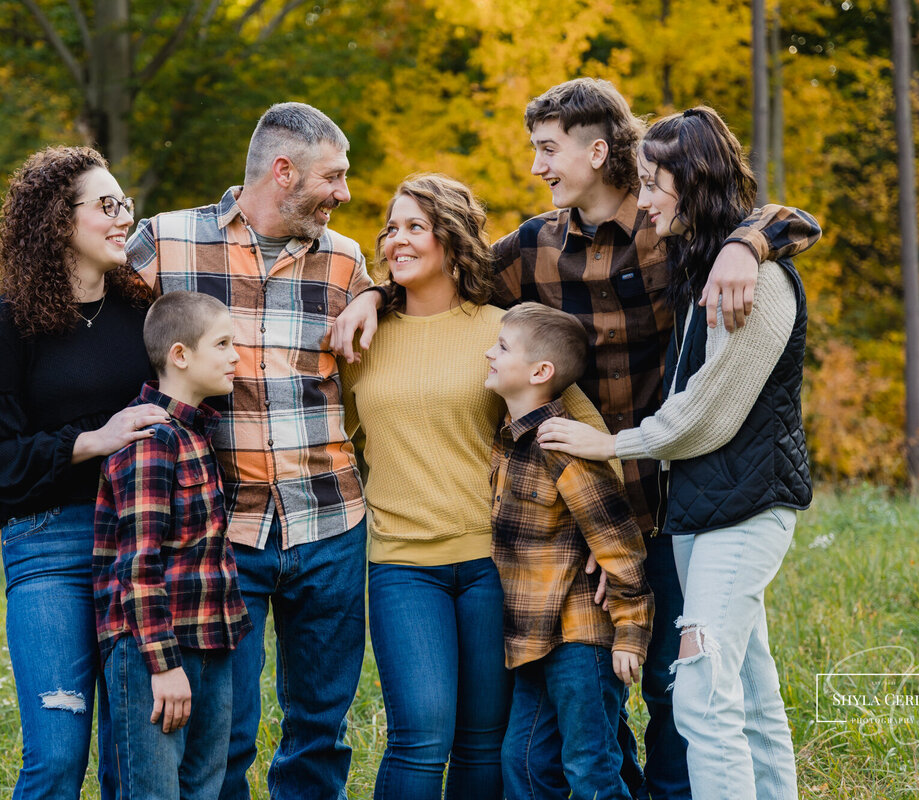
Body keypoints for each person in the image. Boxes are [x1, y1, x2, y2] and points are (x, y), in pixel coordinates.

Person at [330, 77, 822, 800]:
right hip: (584, 504)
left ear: (597, 151)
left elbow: (785, 219)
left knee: (679, 695)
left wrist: (747, 245)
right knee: (593, 706)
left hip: (673, 494)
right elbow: (451, 266)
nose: (537, 166)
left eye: (548, 149)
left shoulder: (670, 228)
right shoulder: (537, 245)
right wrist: (375, 294)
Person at [0, 103, 373, 800]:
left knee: (244, 736)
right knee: (120, 748)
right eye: (333, 176)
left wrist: (378, 294)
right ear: (283, 170)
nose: (123, 218)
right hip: (134, 534)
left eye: (123, 204)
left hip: (247, 523)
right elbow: (1, 432)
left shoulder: (335, 260)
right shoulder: (152, 250)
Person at [538, 105, 811, 800]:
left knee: (700, 695)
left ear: (693, 184)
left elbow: (706, 414)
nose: (645, 199)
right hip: (702, 511)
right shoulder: (707, 269)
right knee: (750, 693)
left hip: (744, 511)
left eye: (655, 184)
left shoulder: (755, 283)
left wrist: (609, 444)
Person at [339, 174, 617, 800]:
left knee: (483, 740)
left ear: (452, 239)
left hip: (497, 563)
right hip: (402, 565)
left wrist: (605, 538)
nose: (396, 239)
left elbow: (588, 433)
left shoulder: (502, 330)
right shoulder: (364, 336)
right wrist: (369, 298)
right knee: (420, 735)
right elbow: (333, 438)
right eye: (391, 227)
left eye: (415, 226)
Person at [0, 145, 169, 800]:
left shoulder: (144, 312)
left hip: (139, 546)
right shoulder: (7, 324)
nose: (124, 217)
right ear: (58, 219)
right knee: (55, 758)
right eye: (107, 205)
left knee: (134, 763)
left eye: (125, 203)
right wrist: (92, 441)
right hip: (48, 545)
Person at [484, 303, 653, 800]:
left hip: (581, 637)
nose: (488, 353)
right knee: (523, 763)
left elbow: (619, 542)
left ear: (540, 372)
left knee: (590, 768)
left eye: (502, 347)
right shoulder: (508, 441)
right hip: (534, 639)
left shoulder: (562, 447)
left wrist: (631, 634)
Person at [93, 290, 251, 800]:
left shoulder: (195, 434)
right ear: (180, 355)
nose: (236, 357)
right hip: (153, 654)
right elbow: (138, 564)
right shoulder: (150, 439)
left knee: (204, 789)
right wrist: (163, 665)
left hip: (210, 642)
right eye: (222, 344)